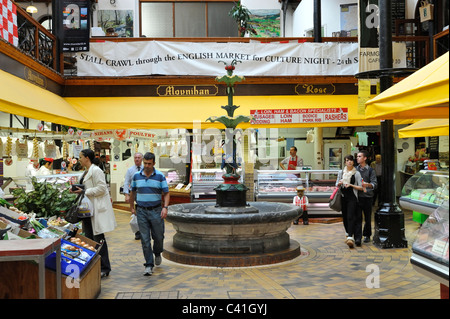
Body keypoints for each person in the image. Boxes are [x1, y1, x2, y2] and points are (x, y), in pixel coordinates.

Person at [73, 149, 117, 278]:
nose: (79, 159)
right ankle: (95, 266)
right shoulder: (86, 171)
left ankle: (105, 267)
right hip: (88, 211)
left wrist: (84, 191)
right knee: (90, 239)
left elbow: (102, 188)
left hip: (95, 210)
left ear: (87, 158)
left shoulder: (96, 171)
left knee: (98, 239)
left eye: (80, 157)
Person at [130, 152, 170, 276]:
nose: (147, 166)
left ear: (154, 163)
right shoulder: (136, 176)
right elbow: (133, 192)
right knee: (145, 239)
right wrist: (132, 207)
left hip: (156, 211)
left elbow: (166, 193)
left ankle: (157, 252)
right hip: (141, 211)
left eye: (149, 163)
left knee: (158, 236)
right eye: (145, 163)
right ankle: (148, 264)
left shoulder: (160, 176)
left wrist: (165, 208)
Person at [338, 155, 363, 248]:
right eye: (347, 160)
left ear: (353, 162)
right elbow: (337, 184)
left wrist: (351, 185)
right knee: (344, 216)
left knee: (350, 216)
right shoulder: (341, 172)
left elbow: (360, 187)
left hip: (352, 197)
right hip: (343, 197)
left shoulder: (356, 173)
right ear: (345, 162)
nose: (349, 162)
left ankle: (350, 237)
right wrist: (340, 183)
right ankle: (348, 233)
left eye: (351, 160)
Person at [356, 150, 377, 244]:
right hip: (358, 196)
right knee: (357, 217)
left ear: (365, 158)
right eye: (357, 156)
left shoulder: (371, 170)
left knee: (368, 217)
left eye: (359, 156)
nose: (357, 158)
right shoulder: (355, 169)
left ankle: (367, 235)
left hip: (368, 197)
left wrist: (367, 185)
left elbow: (374, 184)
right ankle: (358, 236)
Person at [123, 152, 143, 240]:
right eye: (135, 158)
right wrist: (126, 195)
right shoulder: (130, 170)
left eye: (139, 157)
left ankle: (144, 231)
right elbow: (126, 182)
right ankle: (137, 232)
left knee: (143, 214)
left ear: (142, 159)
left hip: (144, 194)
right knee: (136, 214)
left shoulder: (146, 169)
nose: (137, 159)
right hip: (134, 195)